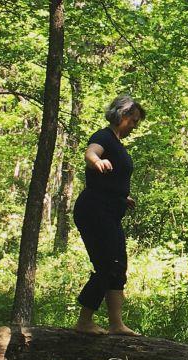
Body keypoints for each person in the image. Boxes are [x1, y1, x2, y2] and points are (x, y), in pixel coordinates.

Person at [72, 95, 145, 336]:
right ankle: (84, 322)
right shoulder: (103, 137)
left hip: (109, 210)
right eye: (133, 121)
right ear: (122, 116)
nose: (135, 126)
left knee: (117, 266)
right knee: (106, 265)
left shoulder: (118, 143)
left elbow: (111, 182)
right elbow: (90, 153)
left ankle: (116, 324)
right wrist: (96, 161)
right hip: (94, 211)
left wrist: (122, 197)